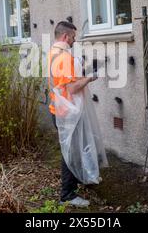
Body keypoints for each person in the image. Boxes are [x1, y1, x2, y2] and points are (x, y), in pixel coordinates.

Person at [48, 21, 96, 208]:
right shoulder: (65, 58)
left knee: (71, 149)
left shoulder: (52, 53)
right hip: (67, 113)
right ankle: (67, 195)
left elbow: (59, 82)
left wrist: (78, 70)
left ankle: (77, 181)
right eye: (74, 37)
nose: (75, 40)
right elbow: (73, 87)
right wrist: (89, 77)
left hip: (57, 109)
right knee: (69, 152)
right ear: (66, 36)